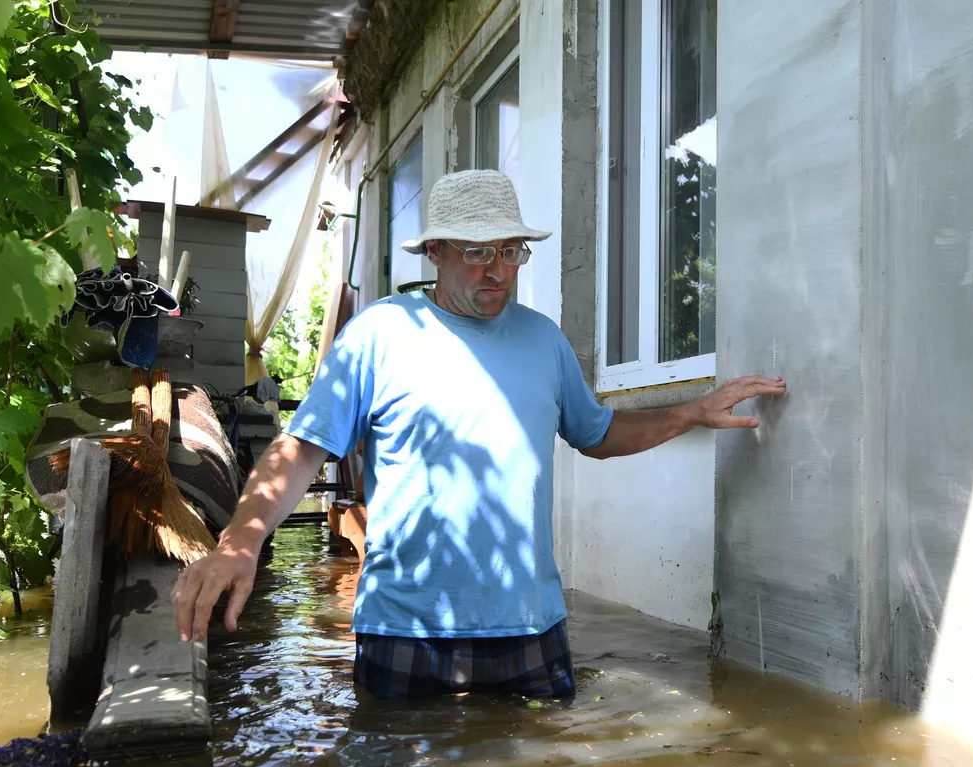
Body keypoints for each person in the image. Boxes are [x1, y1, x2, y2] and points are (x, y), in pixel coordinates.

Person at [171, 169, 786, 700]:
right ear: (434, 252)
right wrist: (239, 541)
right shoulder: (380, 335)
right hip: (406, 632)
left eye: (511, 250)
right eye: (476, 251)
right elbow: (302, 449)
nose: (498, 271)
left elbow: (597, 433)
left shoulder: (544, 340)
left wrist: (692, 412)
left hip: (530, 629)